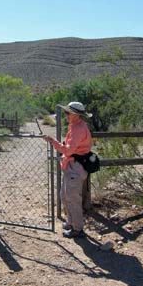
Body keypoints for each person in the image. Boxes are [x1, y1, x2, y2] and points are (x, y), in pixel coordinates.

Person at [43, 102, 93, 238]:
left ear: (76, 115)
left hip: (75, 167)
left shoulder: (78, 129)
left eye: (68, 113)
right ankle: (71, 223)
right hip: (73, 166)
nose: (66, 115)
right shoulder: (77, 126)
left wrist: (53, 141)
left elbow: (68, 150)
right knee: (65, 196)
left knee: (72, 198)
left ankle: (77, 229)